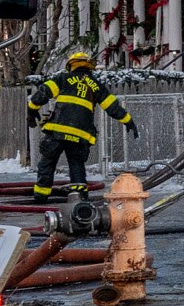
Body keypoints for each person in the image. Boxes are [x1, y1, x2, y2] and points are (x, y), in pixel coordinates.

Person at [26, 47, 132, 200]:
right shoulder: (95, 85)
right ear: (89, 66)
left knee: (48, 162)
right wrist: (128, 120)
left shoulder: (62, 79)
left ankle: (41, 195)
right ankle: (79, 195)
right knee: (76, 165)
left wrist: (31, 111)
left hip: (57, 131)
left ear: (71, 65)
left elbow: (41, 95)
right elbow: (112, 106)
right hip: (80, 134)